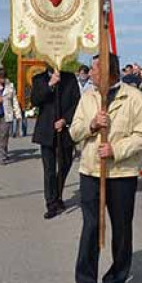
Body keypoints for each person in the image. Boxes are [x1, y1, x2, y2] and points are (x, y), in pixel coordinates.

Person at [69, 52, 142, 283]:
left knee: (122, 229)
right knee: (91, 228)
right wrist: (92, 125)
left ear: (107, 71)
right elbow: (74, 132)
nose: (90, 74)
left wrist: (116, 149)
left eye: (94, 70)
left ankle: (116, 278)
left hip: (122, 174)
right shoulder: (88, 97)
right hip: (91, 171)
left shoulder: (134, 97)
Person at [31, 63, 81, 219]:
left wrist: (65, 120)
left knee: (65, 164)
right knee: (49, 170)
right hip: (46, 130)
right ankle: (51, 202)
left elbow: (76, 102)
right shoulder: (39, 79)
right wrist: (50, 85)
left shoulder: (70, 78)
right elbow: (35, 100)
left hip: (64, 130)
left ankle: (58, 194)